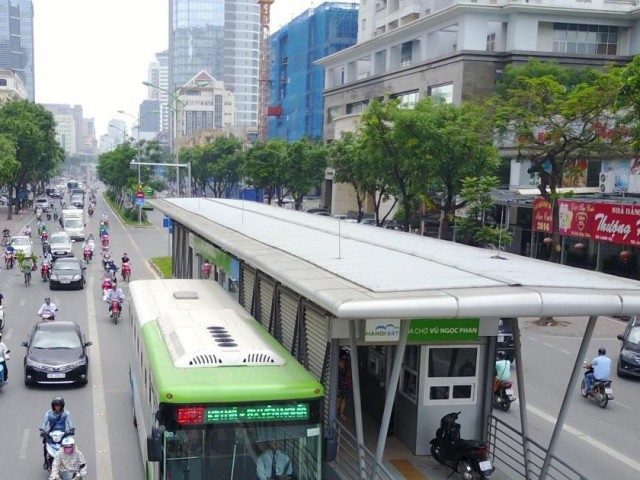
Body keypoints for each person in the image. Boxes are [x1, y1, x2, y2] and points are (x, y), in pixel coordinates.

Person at [337, 352, 352, 420]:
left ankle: (340, 414)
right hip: (338, 384)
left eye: (344, 359)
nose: (343, 360)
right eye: (342, 358)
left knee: (343, 398)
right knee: (339, 399)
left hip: (344, 384)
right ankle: (336, 413)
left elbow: (348, 374)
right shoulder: (337, 365)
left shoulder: (346, 365)